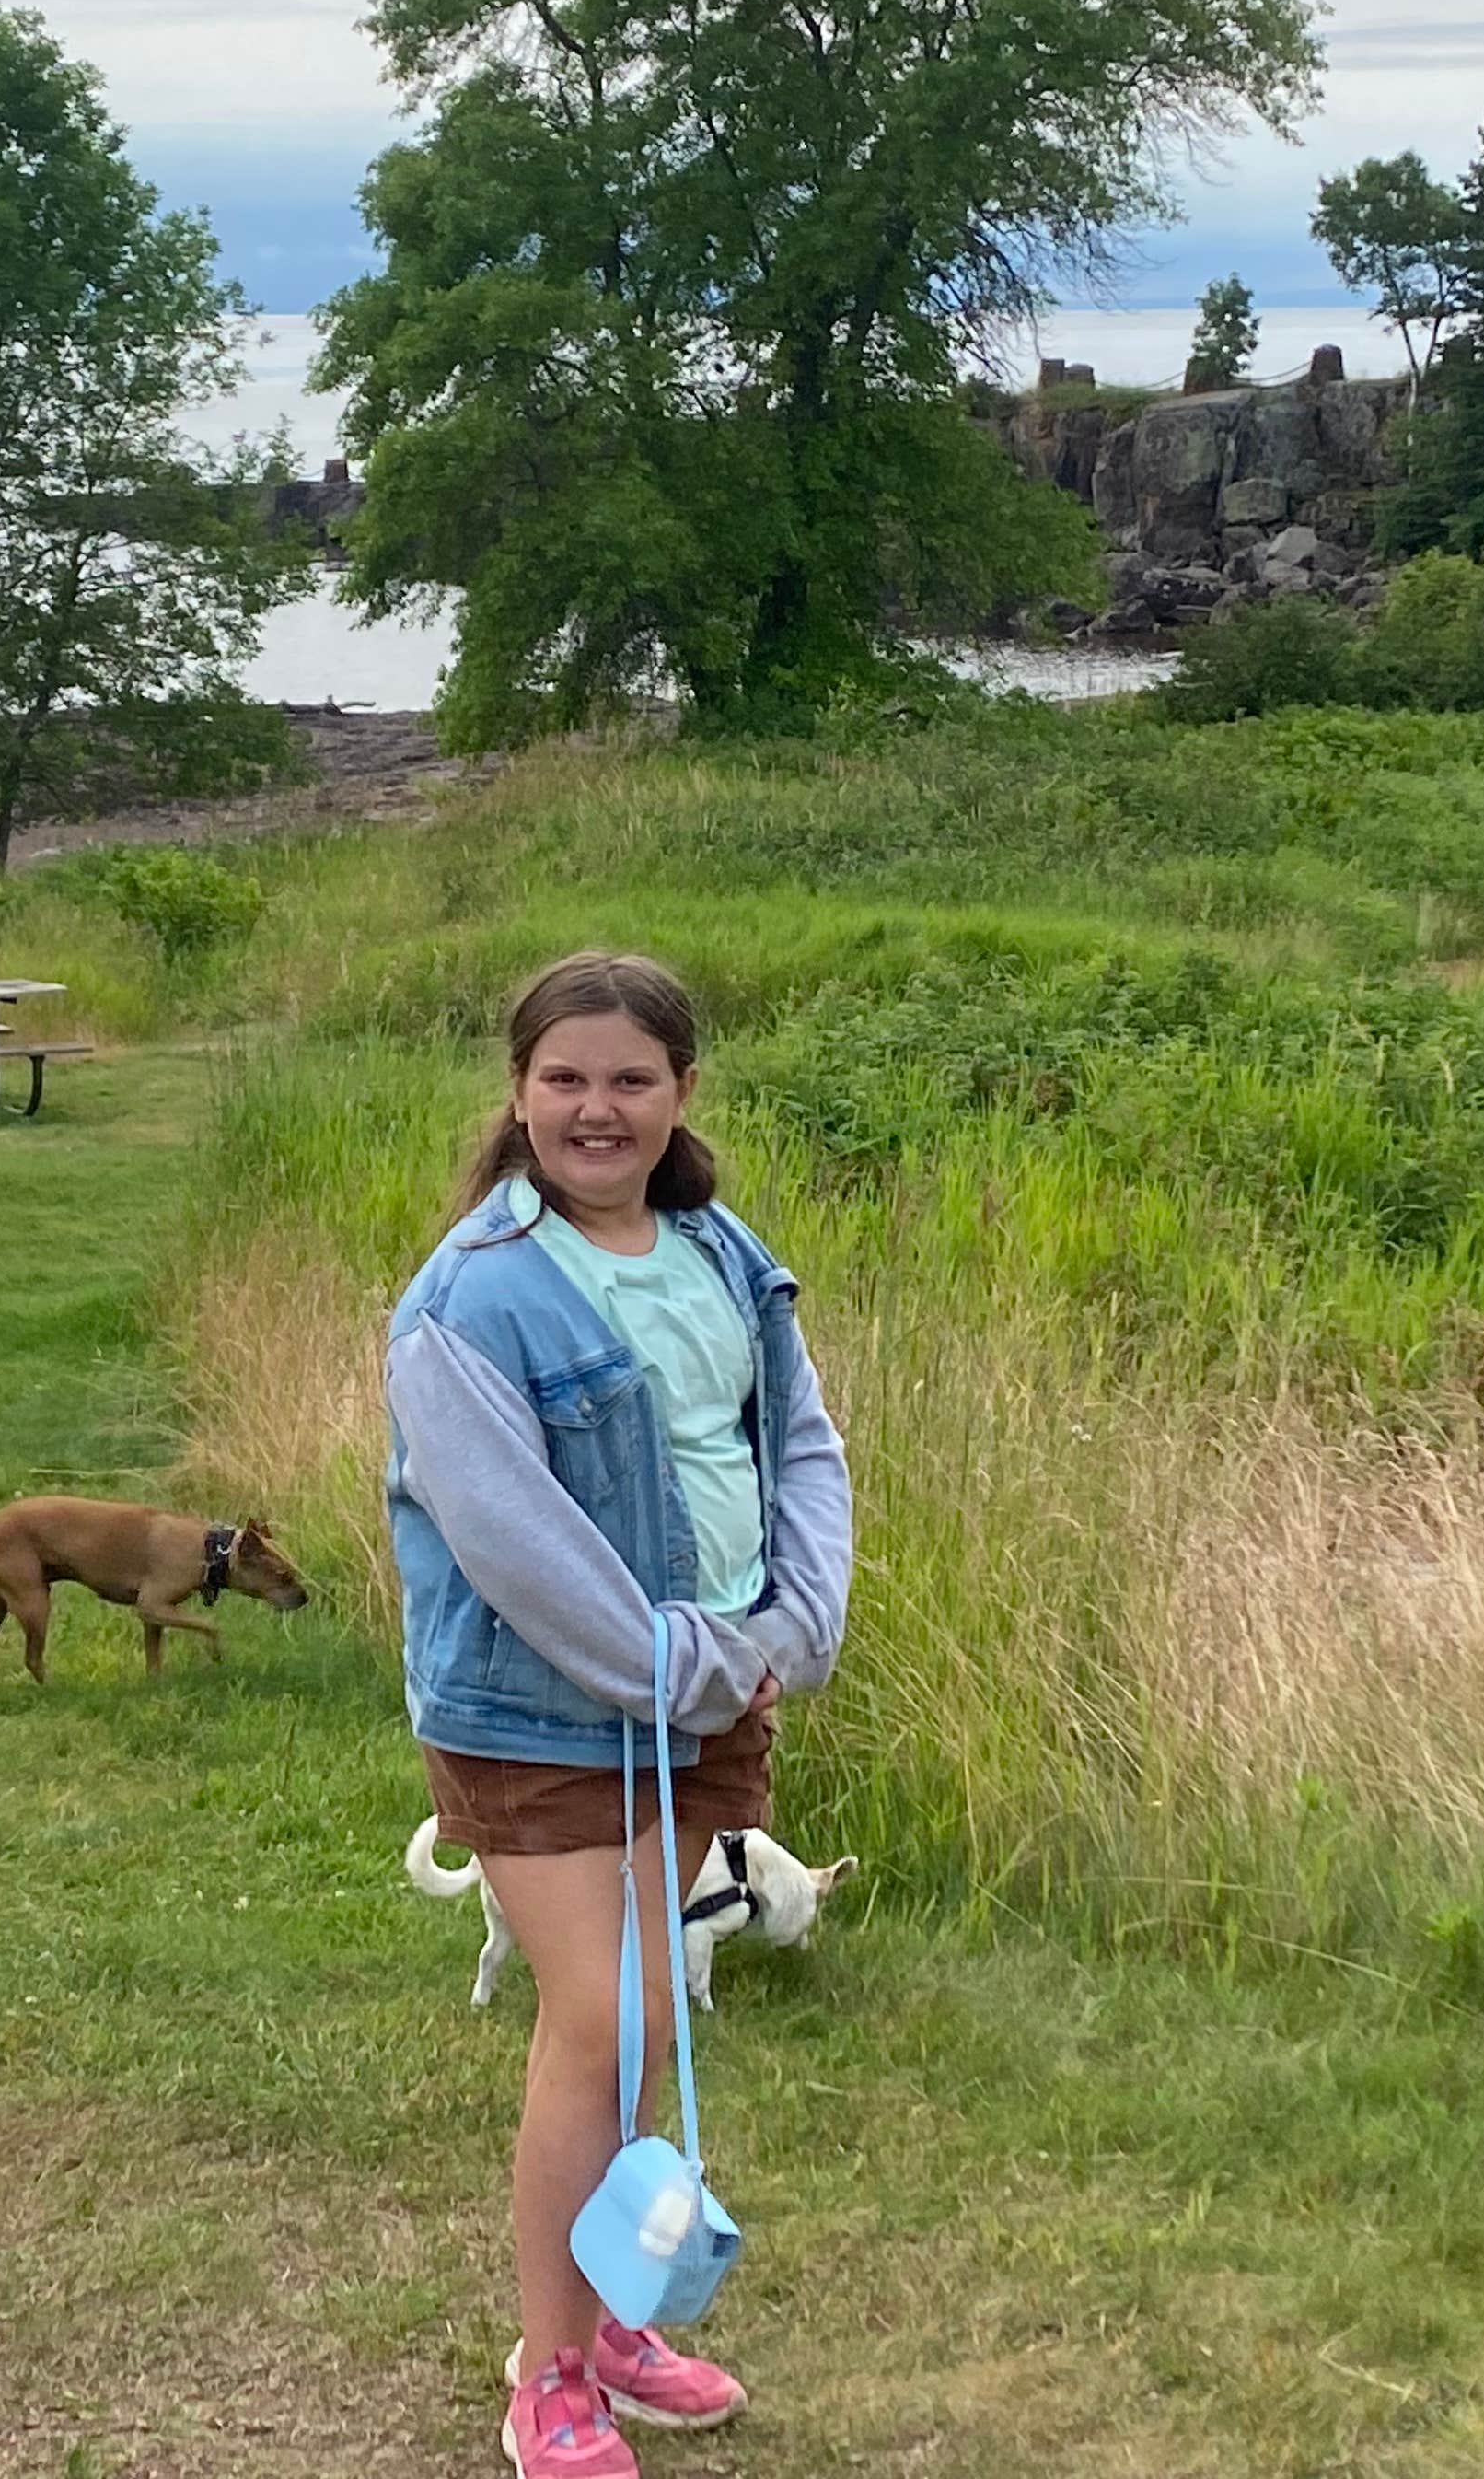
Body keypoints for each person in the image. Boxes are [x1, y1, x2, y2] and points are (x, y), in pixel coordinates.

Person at [385, 950, 855, 2476]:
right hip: (539, 1717)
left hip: (709, 1695)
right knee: (610, 2020)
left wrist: (795, 1622)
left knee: (644, 2029)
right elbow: (513, 1540)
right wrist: (684, 1665)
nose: (598, 1108)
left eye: (630, 1079)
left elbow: (797, 1447)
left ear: (680, 1094)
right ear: (518, 1094)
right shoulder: (473, 1293)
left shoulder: (724, 1253)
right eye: (565, 1079)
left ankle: (609, 2323)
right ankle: (550, 2375)